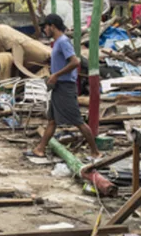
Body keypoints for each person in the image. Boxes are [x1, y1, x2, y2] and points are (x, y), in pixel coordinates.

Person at [33, 14, 103, 159]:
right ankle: (40, 148)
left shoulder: (63, 42)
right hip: (58, 87)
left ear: (52, 26)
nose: (45, 30)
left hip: (65, 87)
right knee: (52, 120)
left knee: (77, 121)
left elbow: (75, 62)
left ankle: (95, 152)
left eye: (45, 27)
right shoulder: (58, 42)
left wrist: (56, 75)